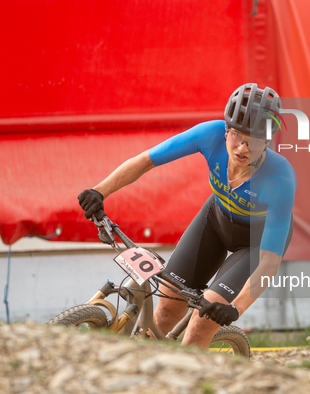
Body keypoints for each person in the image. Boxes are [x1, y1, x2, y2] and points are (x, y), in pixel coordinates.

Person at [78, 83, 296, 348]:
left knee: (202, 325)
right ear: (226, 129)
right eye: (237, 134)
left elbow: (269, 262)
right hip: (216, 221)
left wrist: (236, 309)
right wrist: (100, 191)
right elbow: (147, 160)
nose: (242, 147)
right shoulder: (210, 135)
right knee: (166, 308)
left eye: (255, 141)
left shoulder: (280, 178)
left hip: (255, 243)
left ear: (268, 142)